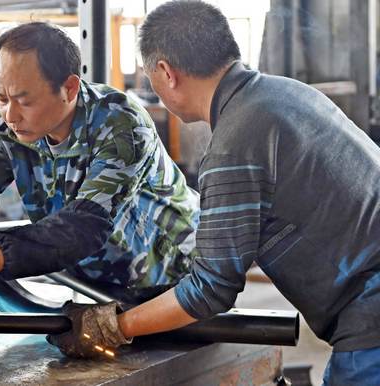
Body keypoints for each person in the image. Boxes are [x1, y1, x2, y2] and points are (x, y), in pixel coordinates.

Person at [46, 2, 380, 384]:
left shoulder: (233, 145)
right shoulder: (287, 93)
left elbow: (210, 291)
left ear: (166, 73)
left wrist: (114, 326)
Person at [0, 22, 199, 311]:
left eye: (24, 101)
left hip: (177, 280)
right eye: (1, 98)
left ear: (69, 88)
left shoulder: (121, 126)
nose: (10, 115)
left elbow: (84, 227)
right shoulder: (7, 125)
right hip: (100, 281)